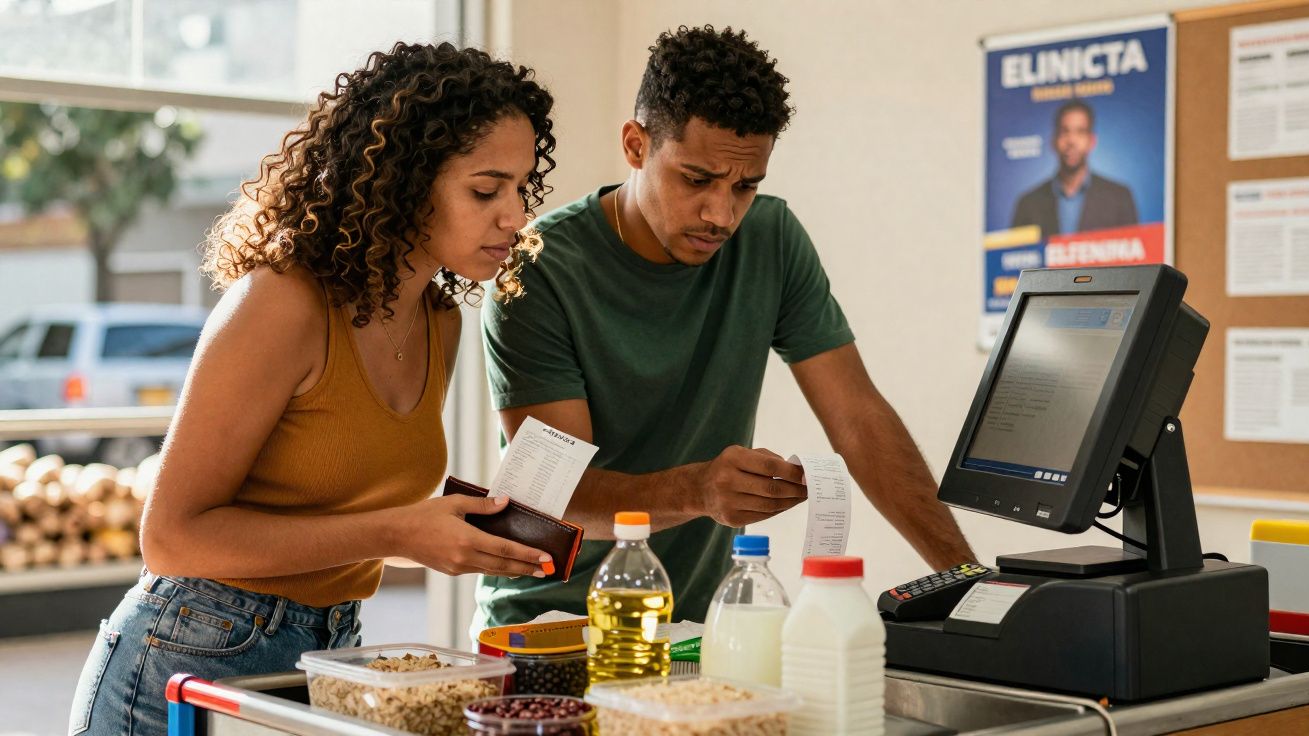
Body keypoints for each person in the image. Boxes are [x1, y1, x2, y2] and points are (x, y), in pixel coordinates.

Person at [68, 42, 556, 735]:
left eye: (520, 188)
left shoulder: (438, 320)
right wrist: (399, 533)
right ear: (404, 180)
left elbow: (342, 503)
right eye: (486, 190)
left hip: (327, 653)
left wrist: (451, 527)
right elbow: (171, 539)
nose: (514, 216)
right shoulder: (283, 304)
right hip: (188, 657)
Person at [476, 25, 975, 632]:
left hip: (693, 628)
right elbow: (559, 495)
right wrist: (698, 490)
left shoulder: (771, 238)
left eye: (745, 186)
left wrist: (967, 584)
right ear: (636, 145)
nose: (721, 214)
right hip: (546, 624)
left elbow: (859, 417)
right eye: (696, 179)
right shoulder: (533, 267)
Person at [1010, 99, 1138, 241]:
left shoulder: (1119, 198)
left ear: (1092, 141)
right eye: (1065, 131)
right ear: (1054, 141)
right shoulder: (1028, 204)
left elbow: (1134, 257)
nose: (1071, 140)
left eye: (1080, 132)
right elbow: (1017, 258)